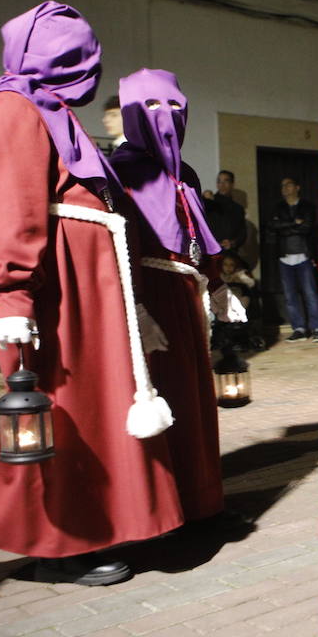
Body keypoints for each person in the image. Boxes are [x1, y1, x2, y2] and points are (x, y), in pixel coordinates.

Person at [0, 1, 184, 601]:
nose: (80, 61)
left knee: (86, 417)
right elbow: (5, 206)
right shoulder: (13, 109)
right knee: (48, 417)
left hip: (88, 292)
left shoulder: (56, 116)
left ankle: (85, 532)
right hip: (55, 292)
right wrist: (12, 295)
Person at [110, 68, 245, 522]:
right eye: (150, 106)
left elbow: (194, 231)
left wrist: (219, 285)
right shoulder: (120, 171)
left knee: (197, 397)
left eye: (173, 106)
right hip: (153, 294)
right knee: (167, 395)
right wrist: (138, 305)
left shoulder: (183, 171)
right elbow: (121, 241)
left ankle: (202, 498)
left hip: (188, 292)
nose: (165, 117)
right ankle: (166, 508)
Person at [268, 177, 318, 342]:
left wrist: (285, 225)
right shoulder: (278, 207)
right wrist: (294, 223)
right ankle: (299, 328)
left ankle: (317, 328)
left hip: (304, 255)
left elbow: (307, 228)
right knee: (290, 296)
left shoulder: (307, 206)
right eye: (282, 185)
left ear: (297, 187)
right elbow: (273, 226)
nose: (284, 188)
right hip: (285, 257)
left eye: (288, 185)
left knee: (310, 293)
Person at [204, 170, 248, 251]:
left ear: (232, 184)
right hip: (211, 250)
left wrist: (232, 243)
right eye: (219, 181)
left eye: (226, 181)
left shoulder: (238, 208)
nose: (222, 185)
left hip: (230, 253)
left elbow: (242, 233)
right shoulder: (209, 203)